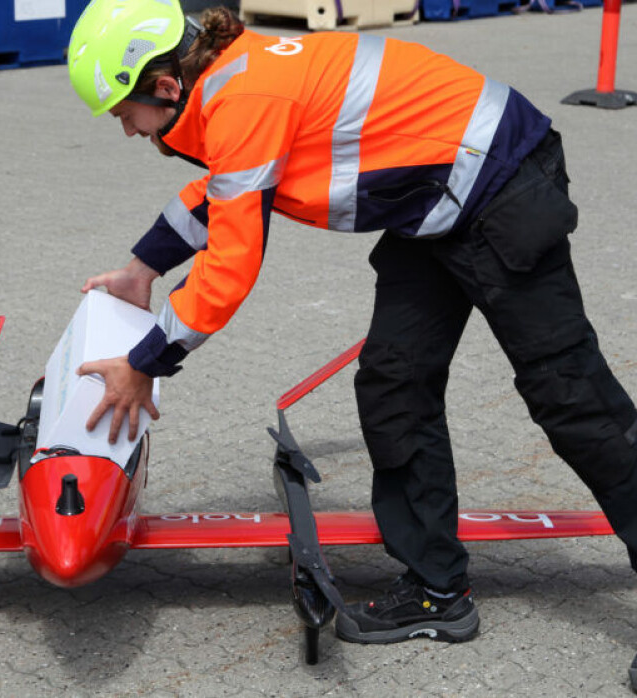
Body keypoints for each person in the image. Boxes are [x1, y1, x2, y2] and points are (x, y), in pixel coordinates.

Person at [67, 0, 637, 646]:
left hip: (500, 183)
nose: (129, 131)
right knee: (396, 382)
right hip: (435, 202)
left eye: (125, 114)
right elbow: (231, 190)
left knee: (572, 399)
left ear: (166, 86)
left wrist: (142, 364)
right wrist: (143, 268)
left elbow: (230, 265)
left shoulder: (244, 96)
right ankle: (437, 591)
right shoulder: (234, 81)